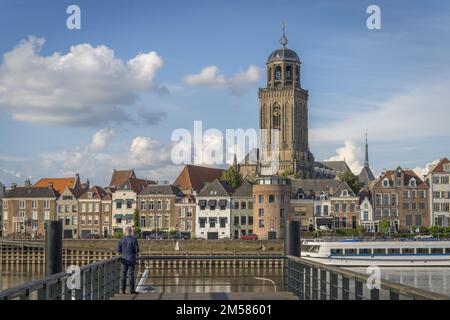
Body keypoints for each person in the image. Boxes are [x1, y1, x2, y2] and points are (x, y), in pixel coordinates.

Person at [118, 226, 140, 294]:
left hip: (124, 259)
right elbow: (137, 250)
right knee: (131, 275)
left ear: (125, 231)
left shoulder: (121, 239)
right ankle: (132, 290)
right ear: (131, 232)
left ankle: (123, 290)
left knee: (123, 275)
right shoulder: (134, 239)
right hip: (131, 259)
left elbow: (119, 250)